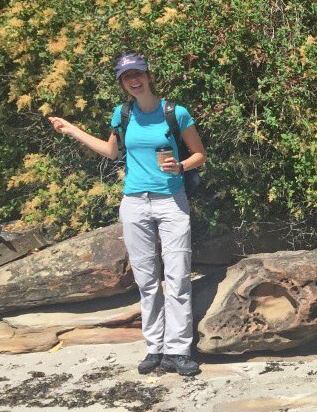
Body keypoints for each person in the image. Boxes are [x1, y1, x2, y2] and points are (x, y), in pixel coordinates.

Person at [48, 52, 206, 376]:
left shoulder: (175, 113)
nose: (133, 81)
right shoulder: (122, 114)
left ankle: (178, 350)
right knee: (147, 280)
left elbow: (200, 154)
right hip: (134, 203)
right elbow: (110, 151)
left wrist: (181, 166)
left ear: (148, 76)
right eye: (126, 77)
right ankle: (155, 348)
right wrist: (73, 129)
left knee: (177, 277)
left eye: (137, 74)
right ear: (122, 83)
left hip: (171, 202)